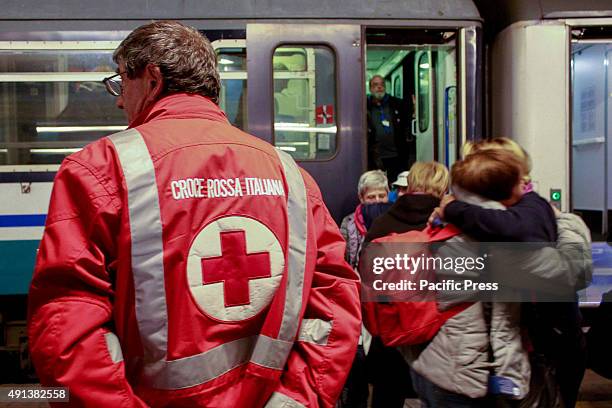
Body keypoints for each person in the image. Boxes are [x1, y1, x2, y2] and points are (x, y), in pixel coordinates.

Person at [27, 21, 361, 407]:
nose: (119, 100)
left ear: (152, 79)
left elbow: (66, 325)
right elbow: (334, 305)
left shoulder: (101, 168)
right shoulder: (291, 176)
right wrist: (295, 401)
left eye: (121, 83)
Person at [433, 138, 591, 408]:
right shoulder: (507, 237)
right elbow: (573, 269)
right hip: (532, 357)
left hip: (465, 363)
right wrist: (562, 220)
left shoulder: (457, 227)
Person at [363, 161, 449, 408]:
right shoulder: (446, 225)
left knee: (387, 395)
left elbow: (367, 279)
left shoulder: (382, 223)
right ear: (443, 189)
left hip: (392, 330)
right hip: (436, 331)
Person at [367, 75, 414, 184]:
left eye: (382, 85)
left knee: (395, 184)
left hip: (395, 155)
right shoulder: (365, 106)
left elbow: (406, 123)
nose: (379, 87)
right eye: (375, 85)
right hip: (375, 157)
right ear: (370, 88)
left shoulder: (396, 104)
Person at [340, 170, 390, 269]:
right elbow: (342, 259)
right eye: (371, 197)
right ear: (361, 198)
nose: (377, 201)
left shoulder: (395, 220)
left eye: (381, 196)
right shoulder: (349, 223)